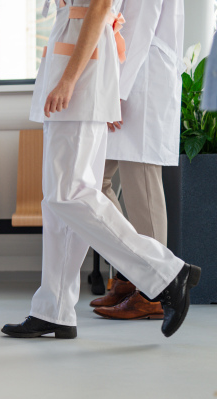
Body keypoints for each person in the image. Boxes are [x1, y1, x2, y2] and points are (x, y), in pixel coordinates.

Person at [2, 0, 200, 339]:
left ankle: (166, 273)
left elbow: (100, 5)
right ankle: (54, 309)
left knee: (71, 194)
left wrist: (68, 79)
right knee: (57, 203)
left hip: (81, 76)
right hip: (72, 65)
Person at [91, 0, 186, 320]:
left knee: (141, 185)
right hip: (129, 74)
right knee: (92, 182)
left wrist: (116, 91)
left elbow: (141, 26)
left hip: (141, 81)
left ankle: (154, 293)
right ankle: (135, 272)